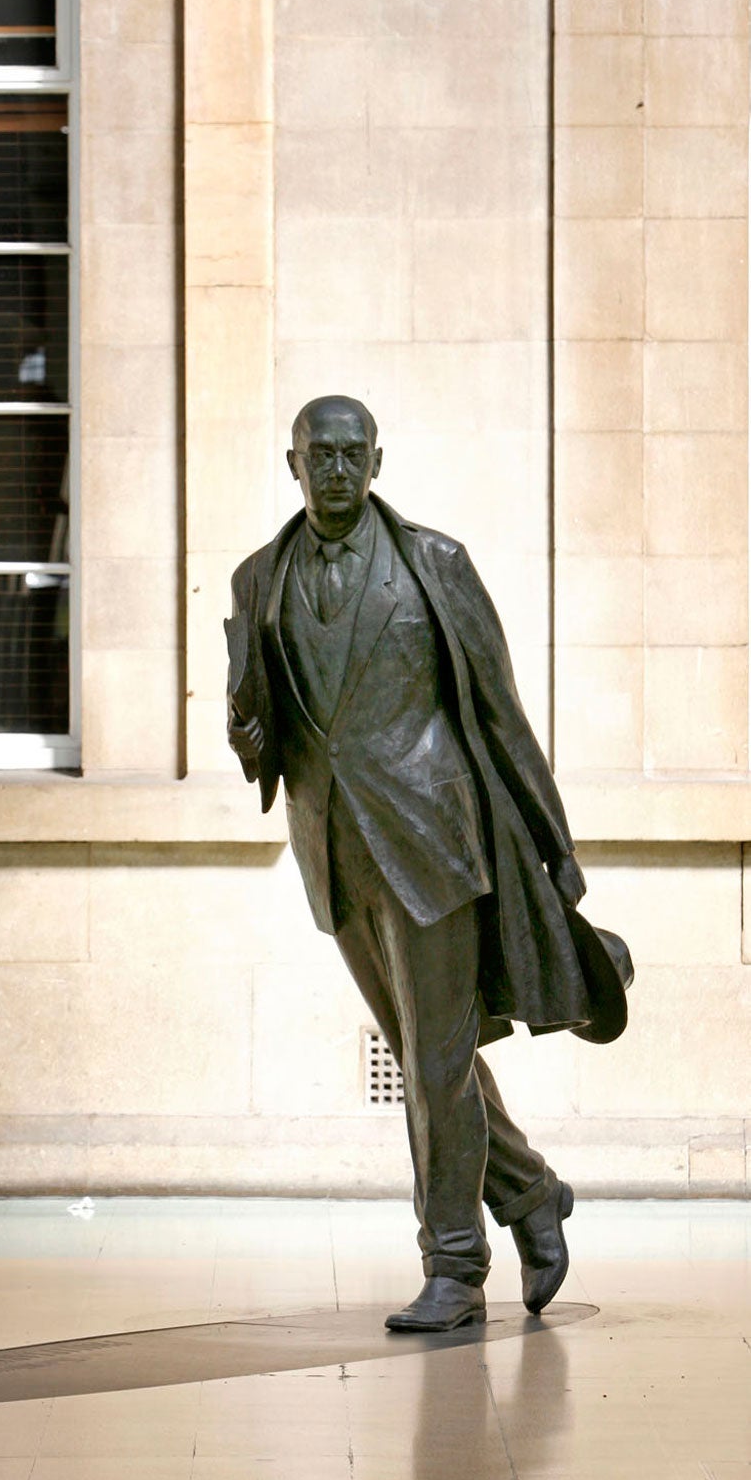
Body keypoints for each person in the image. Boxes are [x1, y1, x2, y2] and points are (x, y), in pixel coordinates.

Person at [226, 395, 631, 1332]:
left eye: (350, 452)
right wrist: (247, 737)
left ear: (377, 460)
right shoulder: (257, 582)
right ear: (290, 463)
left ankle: (453, 1265)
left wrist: (554, 844)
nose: (333, 468)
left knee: (437, 1061)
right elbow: (264, 733)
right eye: (316, 453)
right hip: (333, 850)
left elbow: (499, 713)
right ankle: (530, 1193)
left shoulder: (434, 566)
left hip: (435, 842)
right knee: (424, 1055)